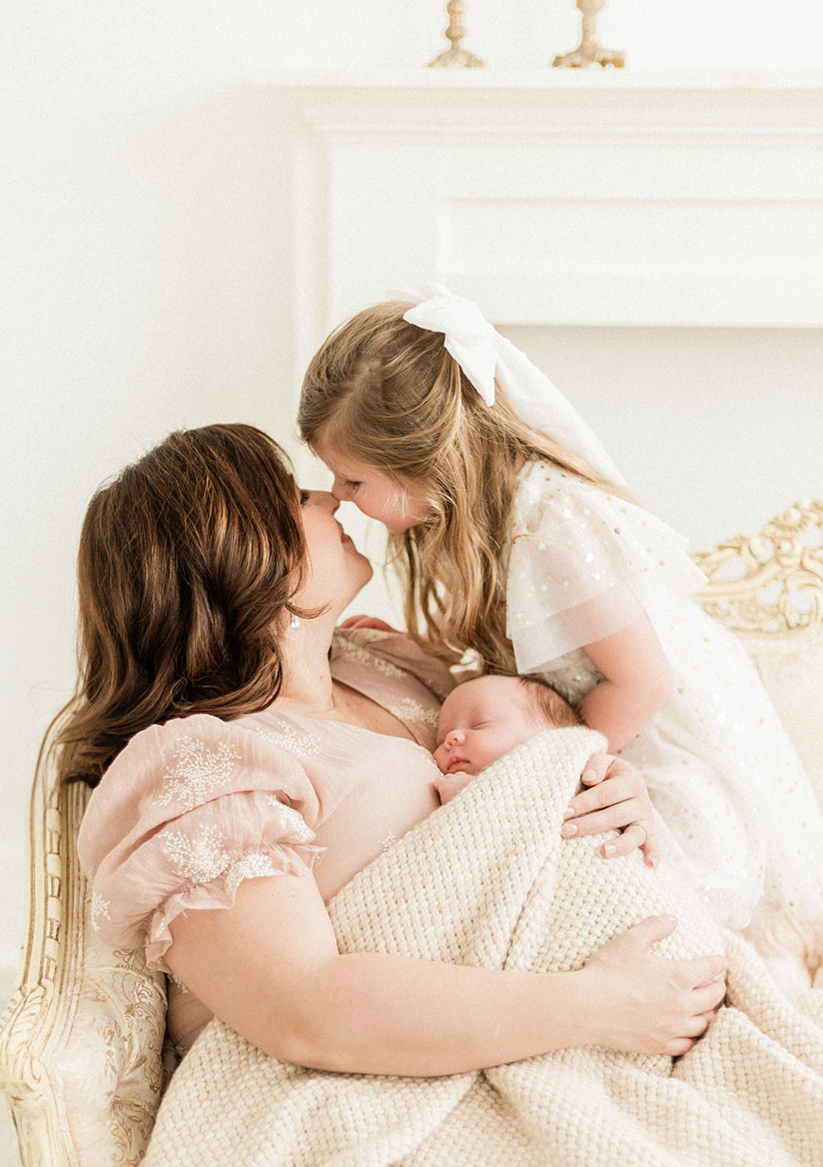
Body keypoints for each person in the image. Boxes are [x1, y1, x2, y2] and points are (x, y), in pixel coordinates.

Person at [65, 423, 725, 1067]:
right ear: (248, 557)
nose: (330, 498)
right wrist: (596, 1005)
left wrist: (599, 787)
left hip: (579, 1001)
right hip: (405, 1070)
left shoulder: (379, 661)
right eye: (298, 498)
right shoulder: (207, 769)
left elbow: (521, 781)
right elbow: (302, 1008)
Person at [298, 291, 823, 944]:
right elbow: (533, 654)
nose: (340, 499)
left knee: (624, 882)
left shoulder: (550, 524)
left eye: (352, 480)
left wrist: (545, 778)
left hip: (652, 732)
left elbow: (641, 684)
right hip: (603, 703)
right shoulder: (473, 518)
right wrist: (419, 650)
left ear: (431, 467)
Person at [432, 672, 587, 808]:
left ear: (544, 740)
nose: (451, 738)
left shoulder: (565, 781)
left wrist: (469, 796)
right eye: (441, 738)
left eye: (479, 725)